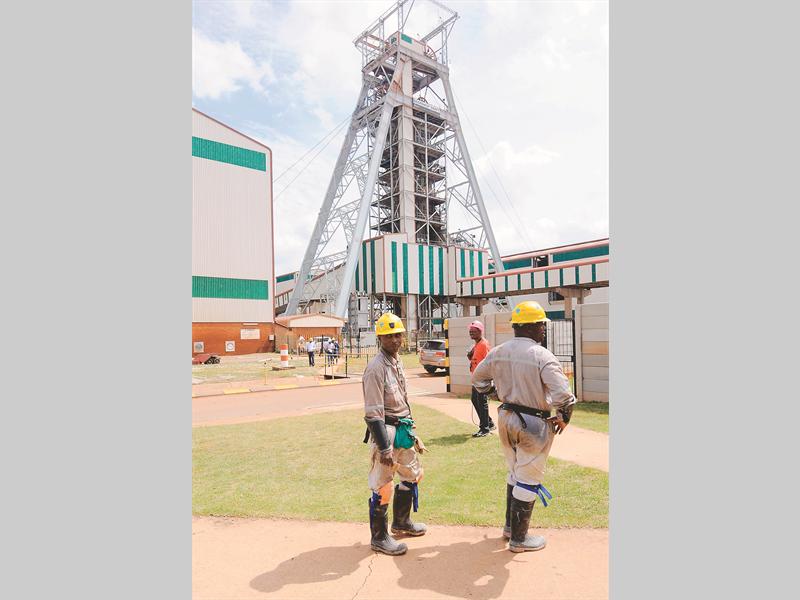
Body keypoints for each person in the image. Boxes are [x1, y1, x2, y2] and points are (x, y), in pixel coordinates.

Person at [471, 301, 577, 553]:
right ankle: (519, 539)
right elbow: (563, 395)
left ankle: (510, 528)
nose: (543, 329)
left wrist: (495, 393)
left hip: (506, 418)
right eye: (541, 325)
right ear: (531, 326)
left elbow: (478, 379)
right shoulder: (542, 355)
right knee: (528, 477)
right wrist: (564, 416)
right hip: (533, 422)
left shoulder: (498, 351)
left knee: (515, 472)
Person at [362, 312, 428, 555]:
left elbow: (403, 401)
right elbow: (373, 413)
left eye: (398, 335)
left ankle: (401, 522)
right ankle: (379, 537)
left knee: (413, 475)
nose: (395, 340)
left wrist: (413, 433)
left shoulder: (398, 361)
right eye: (389, 336)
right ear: (380, 338)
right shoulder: (375, 368)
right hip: (387, 433)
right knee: (383, 486)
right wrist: (384, 448)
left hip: (403, 430)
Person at [467, 320, 495, 437]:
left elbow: (489, 361)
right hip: (476, 378)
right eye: (470, 331)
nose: (471, 333)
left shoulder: (483, 345)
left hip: (482, 379)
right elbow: (476, 360)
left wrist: (488, 378)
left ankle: (485, 429)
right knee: (475, 400)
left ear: (480, 331)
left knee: (481, 402)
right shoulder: (476, 345)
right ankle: (489, 423)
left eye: (474, 331)